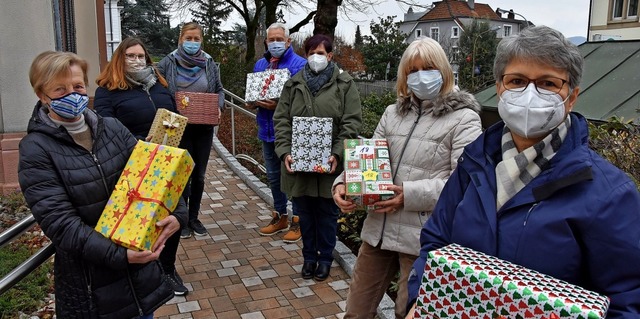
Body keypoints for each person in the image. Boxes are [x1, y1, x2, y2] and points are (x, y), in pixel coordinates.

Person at [407, 26, 640, 318]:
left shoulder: (608, 193)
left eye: (548, 83)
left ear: (572, 96)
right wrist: (420, 298)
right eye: (517, 80)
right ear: (500, 87)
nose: (530, 94)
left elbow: (626, 300)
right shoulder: (475, 163)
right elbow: (436, 242)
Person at [18, 51, 186, 319]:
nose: (72, 94)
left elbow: (156, 175)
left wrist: (177, 215)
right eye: (59, 89)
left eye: (78, 86)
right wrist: (121, 256)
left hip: (140, 279)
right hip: (93, 288)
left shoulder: (113, 128)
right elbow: (61, 224)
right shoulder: (36, 150)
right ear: (41, 95)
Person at [332, 37, 482, 319]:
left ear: (444, 71)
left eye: (428, 67)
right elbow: (369, 158)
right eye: (413, 70)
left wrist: (408, 194)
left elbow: (464, 184)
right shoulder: (392, 113)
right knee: (356, 311)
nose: (420, 76)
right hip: (378, 229)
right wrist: (343, 183)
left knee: (408, 312)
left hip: (422, 238)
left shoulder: (464, 119)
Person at [94, 37, 188, 297]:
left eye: (141, 56)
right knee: (141, 215)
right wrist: (136, 143)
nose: (137, 61)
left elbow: (172, 113)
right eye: (130, 56)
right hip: (133, 164)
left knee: (171, 216)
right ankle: (144, 264)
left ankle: (167, 268)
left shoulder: (159, 83)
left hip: (168, 161)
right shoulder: (108, 88)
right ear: (119, 58)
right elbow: (105, 127)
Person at [273, 34, 362, 281]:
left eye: (321, 53)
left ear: (330, 55)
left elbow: (351, 123)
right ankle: (309, 258)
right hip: (298, 166)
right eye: (311, 52)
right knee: (305, 214)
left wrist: (338, 152)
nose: (316, 57)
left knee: (327, 215)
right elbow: (281, 121)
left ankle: (325, 259)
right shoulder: (293, 84)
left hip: (329, 167)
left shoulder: (344, 84)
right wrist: (285, 152)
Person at [157, 21, 225, 240]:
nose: (193, 42)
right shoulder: (168, 62)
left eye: (197, 39)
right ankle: (181, 218)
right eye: (189, 38)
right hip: (178, 128)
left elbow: (219, 91)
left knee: (199, 175)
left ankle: (194, 217)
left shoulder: (209, 62)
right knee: (180, 175)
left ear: (201, 40)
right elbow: (158, 88)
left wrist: (219, 107)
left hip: (203, 128)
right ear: (181, 39)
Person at [249, 22, 306, 243]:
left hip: (290, 132)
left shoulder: (299, 65)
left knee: (294, 177)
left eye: (278, 39)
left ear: (288, 40)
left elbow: (303, 102)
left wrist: (279, 106)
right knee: (273, 177)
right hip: (266, 129)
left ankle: (298, 220)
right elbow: (253, 94)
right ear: (266, 41)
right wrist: (253, 102)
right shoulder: (261, 64)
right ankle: (280, 216)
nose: (274, 43)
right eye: (271, 39)